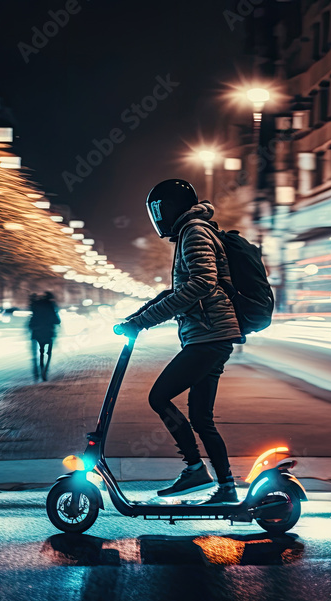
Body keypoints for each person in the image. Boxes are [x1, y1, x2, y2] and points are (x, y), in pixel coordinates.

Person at [115, 179, 243, 504]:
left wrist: (142, 322)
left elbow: (201, 282)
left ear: (173, 207)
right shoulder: (190, 231)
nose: (158, 217)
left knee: (159, 397)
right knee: (201, 417)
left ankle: (195, 468)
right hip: (211, 336)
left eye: (160, 209)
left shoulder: (194, 232)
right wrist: (135, 319)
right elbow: (175, 292)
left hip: (209, 337)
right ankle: (226, 487)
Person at [29, 291, 60, 381]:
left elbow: (32, 319)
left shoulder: (35, 304)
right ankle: (45, 370)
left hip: (37, 331)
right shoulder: (50, 305)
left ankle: (37, 370)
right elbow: (57, 320)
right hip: (48, 331)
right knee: (48, 353)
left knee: (37, 352)